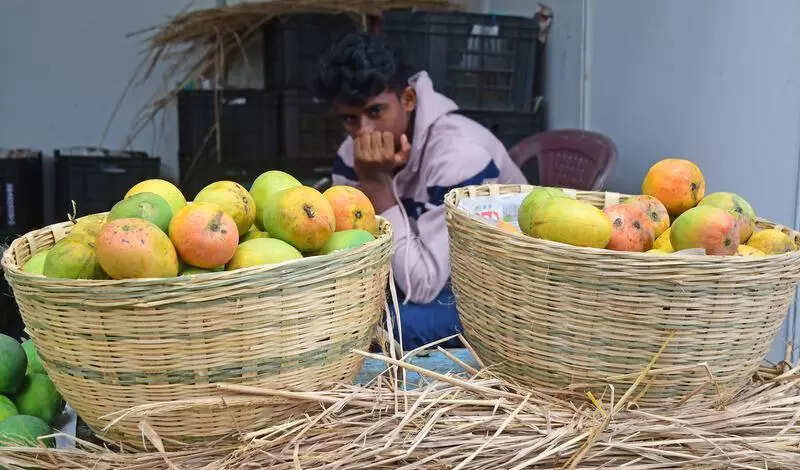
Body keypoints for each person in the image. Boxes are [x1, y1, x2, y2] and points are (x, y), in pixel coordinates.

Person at [315, 33, 527, 349]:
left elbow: (423, 285)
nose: (364, 133)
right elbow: (349, 251)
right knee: (334, 319)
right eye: (350, 119)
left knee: (384, 328)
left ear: (409, 99)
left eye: (375, 112)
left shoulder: (458, 154)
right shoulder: (354, 150)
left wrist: (376, 186)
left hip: (498, 289)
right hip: (420, 270)